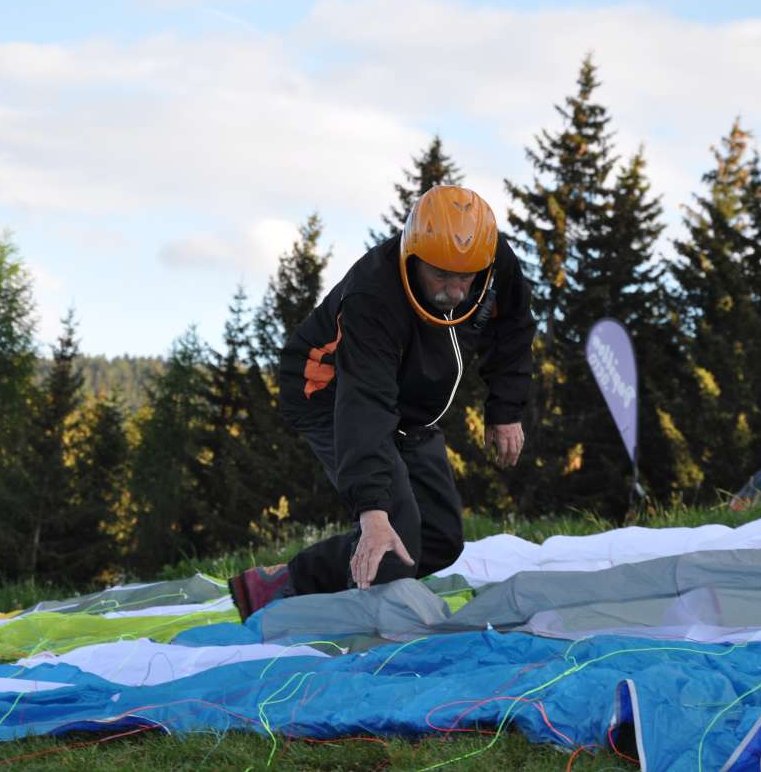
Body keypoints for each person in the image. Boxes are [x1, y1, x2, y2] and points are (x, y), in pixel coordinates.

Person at [229, 184, 535, 619]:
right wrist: (373, 511)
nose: (454, 291)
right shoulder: (373, 296)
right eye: (440, 276)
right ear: (413, 256)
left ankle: (297, 579)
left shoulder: (489, 259)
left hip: (409, 406)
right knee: (391, 538)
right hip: (330, 394)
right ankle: (336, 616)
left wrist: (505, 410)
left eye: (465, 279)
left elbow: (514, 327)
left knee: (441, 539)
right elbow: (364, 404)